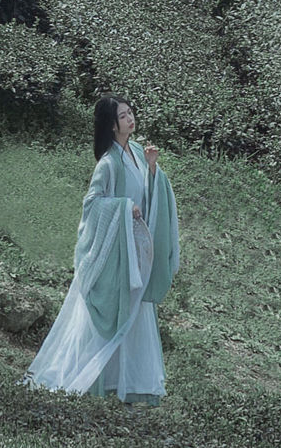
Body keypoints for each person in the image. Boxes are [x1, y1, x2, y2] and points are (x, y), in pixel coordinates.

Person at [25, 96, 180, 401]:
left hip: (136, 251)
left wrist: (151, 169)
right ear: (111, 125)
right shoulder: (108, 163)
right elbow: (93, 204)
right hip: (115, 253)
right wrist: (124, 208)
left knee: (136, 315)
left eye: (131, 113)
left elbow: (148, 195)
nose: (130, 119)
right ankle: (91, 378)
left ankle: (129, 385)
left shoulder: (136, 153)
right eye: (123, 116)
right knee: (111, 314)